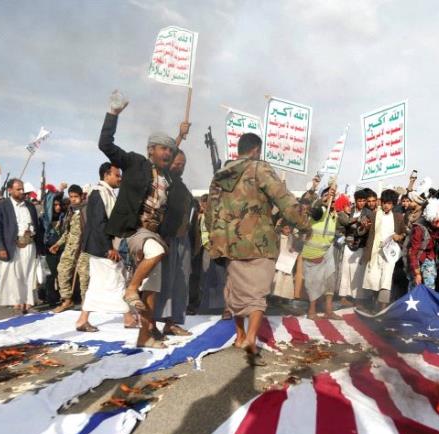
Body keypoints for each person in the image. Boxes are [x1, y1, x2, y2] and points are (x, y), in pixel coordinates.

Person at [206, 132, 309, 364]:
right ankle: (251, 338)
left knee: (236, 289)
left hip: (229, 242)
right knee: (257, 294)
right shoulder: (259, 168)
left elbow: (210, 213)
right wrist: (302, 223)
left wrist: (216, 239)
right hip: (258, 241)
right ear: (255, 150)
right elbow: (283, 198)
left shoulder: (220, 176)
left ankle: (240, 334)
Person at [97, 94, 187, 347]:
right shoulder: (135, 162)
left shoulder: (167, 177)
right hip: (134, 231)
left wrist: (180, 135)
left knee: (152, 291)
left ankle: (144, 336)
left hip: (153, 235)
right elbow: (106, 144)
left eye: (170, 149)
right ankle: (130, 289)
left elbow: (174, 156)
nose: (168, 152)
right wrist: (113, 114)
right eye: (163, 148)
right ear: (151, 150)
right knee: (157, 251)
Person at [76, 164, 135, 332]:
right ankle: (127, 317)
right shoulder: (98, 193)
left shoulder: (107, 193)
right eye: (117, 175)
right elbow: (98, 223)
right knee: (115, 281)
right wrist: (109, 248)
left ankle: (84, 319)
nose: (120, 178)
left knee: (108, 281)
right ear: (106, 175)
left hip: (105, 246)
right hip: (102, 247)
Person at [154, 149, 194, 337]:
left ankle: (172, 322)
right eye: (177, 163)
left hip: (182, 237)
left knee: (181, 281)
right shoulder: (164, 181)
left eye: (183, 164)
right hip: (167, 236)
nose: (180, 167)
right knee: (164, 281)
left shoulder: (181, 185)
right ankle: (153, 322)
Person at [0, 178, 43, 314]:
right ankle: (17, 303)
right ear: (9, 190)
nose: (21, 192)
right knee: (14, 274)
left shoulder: (30, 206)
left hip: (29, 244)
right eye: (18, 189)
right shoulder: (1, 206)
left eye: (22, 189)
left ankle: (28, 303)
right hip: (12, 245)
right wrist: (1, 247)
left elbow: (37, 226)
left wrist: (38, 245)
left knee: (29, 274)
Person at [360, 189, 405, 313]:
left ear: (393, 204)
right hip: (375, 253)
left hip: (389, 255)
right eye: (384, 202)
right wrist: (364, 224)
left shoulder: (398, 217)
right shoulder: (374, 215)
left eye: (389, 203)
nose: (386, 205)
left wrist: (399, 236)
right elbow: (364, 226)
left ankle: (382, 309)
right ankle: (374, 305)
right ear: (381, 202)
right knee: (373, 280)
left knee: (386, 281)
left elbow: (404, 233)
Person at [51, 184, 88, 313]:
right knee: (62, 270)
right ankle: (67, 300)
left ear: (82, 196)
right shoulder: (70, 211)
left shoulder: (87, 210)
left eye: (75, 197)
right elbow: (67, 232)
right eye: (71, 196)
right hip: (70, 247)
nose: (73, 199)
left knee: (84, 277)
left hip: (84, 248)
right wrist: (58, 244)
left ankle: (86, 304)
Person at [405, 198, 439, 290]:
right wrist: (417, 273)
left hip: (430, 257)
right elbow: (413, 252)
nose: (438, 224)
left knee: (430, 285)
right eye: (435, 221)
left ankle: (428, 303)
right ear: (430, 218)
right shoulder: (419, 229)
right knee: (414, 284)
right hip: (416, 257)